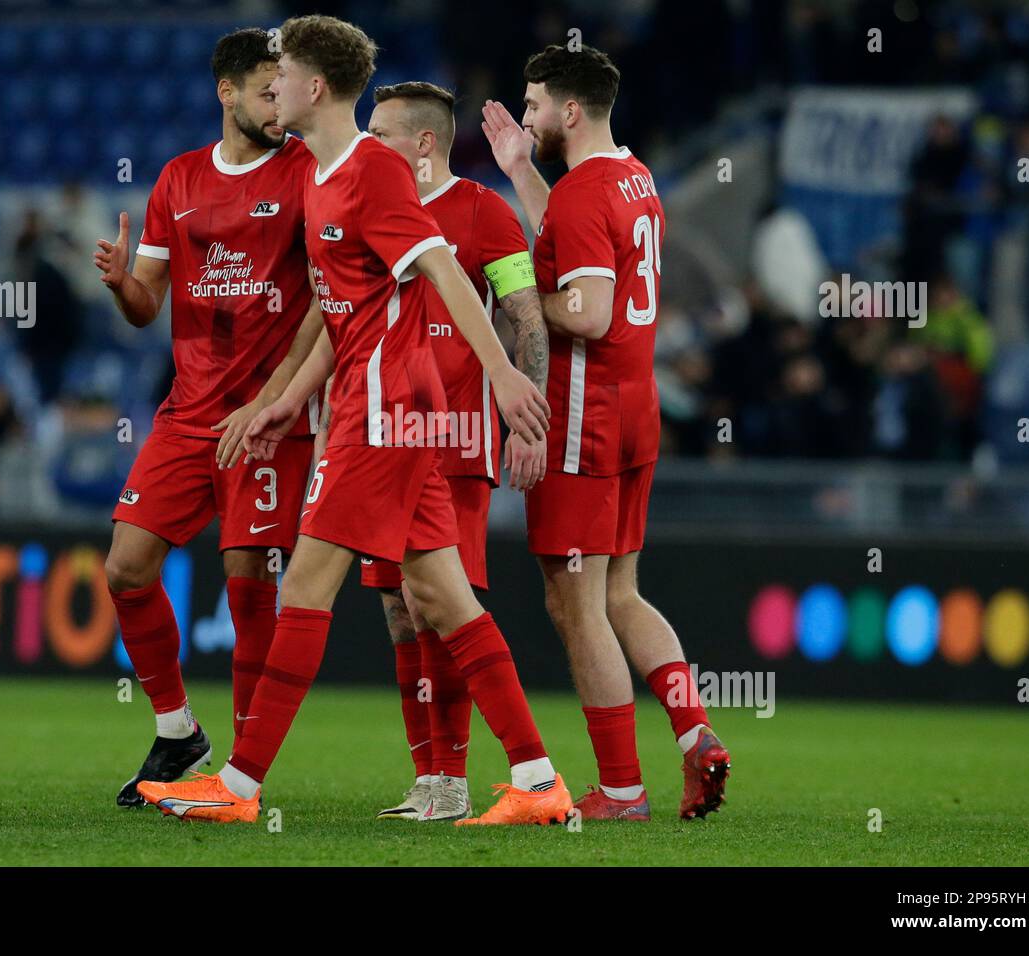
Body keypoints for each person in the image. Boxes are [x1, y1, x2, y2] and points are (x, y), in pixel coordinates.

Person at [137, 14, 571, 826]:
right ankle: (540, 781)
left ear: (316, 86)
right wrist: (281, 400)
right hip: (381, 407)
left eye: (284, 74)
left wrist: (504, 371)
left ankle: (235, 787)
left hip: (385, 410)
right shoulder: (318, 170)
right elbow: (335, 313)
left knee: (305, 585)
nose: (274, 88)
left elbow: (439, 264)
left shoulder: (371, 171)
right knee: (446, 601)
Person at [483, 43, 731, 820]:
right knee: (621, 592)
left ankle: (621, 789)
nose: (526, 118)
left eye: (532, 107)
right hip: (635, 414)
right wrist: (521, 169)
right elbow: (575, 234)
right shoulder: (634, 177)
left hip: (583, 422)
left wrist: (521, 308)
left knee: (574, 603)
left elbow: (588, 309)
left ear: (570, 109)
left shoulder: (590, 192)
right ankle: (695, 735)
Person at [93, 28, 325, 808]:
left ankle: (238, 777)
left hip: (266, 418)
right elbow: (146, 305)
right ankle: (175, 730)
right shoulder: (179, 178)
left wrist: (276, 397)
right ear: (226, 92)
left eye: (285, 90)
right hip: (188, 414)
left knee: (247, 583)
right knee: (125, 567)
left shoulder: (305, 174)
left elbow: (327, 302)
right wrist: (125, 282)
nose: (280, 106)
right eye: (267, 91)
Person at [361, 81, 549, 822]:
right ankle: (428, 781)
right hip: (378, 439)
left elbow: (527, 321)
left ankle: (459, 778)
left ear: (425, 144)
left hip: (453, 438)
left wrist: (526, 425)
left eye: (380, 134)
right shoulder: (365, 211)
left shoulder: (483, 213)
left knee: (440, 604)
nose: (367, 144)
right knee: (398, 613)